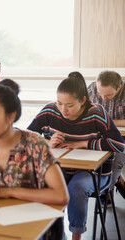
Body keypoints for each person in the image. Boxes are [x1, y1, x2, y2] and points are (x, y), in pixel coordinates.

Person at [28, 72, 125, 240]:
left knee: (76, 188)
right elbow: (24, 140)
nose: (63, 109)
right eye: (59, 103)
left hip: (94, 173)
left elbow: (119, 144)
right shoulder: (50, 111)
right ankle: (53, 233)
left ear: (82, 101)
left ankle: (76, 237)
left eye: (70, 105)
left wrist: (84, 144)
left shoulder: (97, 113)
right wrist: (47, 144)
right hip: (61, 168)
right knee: (46, 185)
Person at [88, 70, 125, 198]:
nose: (103, 98)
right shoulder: (92, 88)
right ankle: (113, 183)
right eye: (100, 94)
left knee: (116, 162)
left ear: (119, 87)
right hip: (99, 135)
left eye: (108, 95)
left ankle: (107, 189)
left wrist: (108, 121)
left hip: (122, 138)